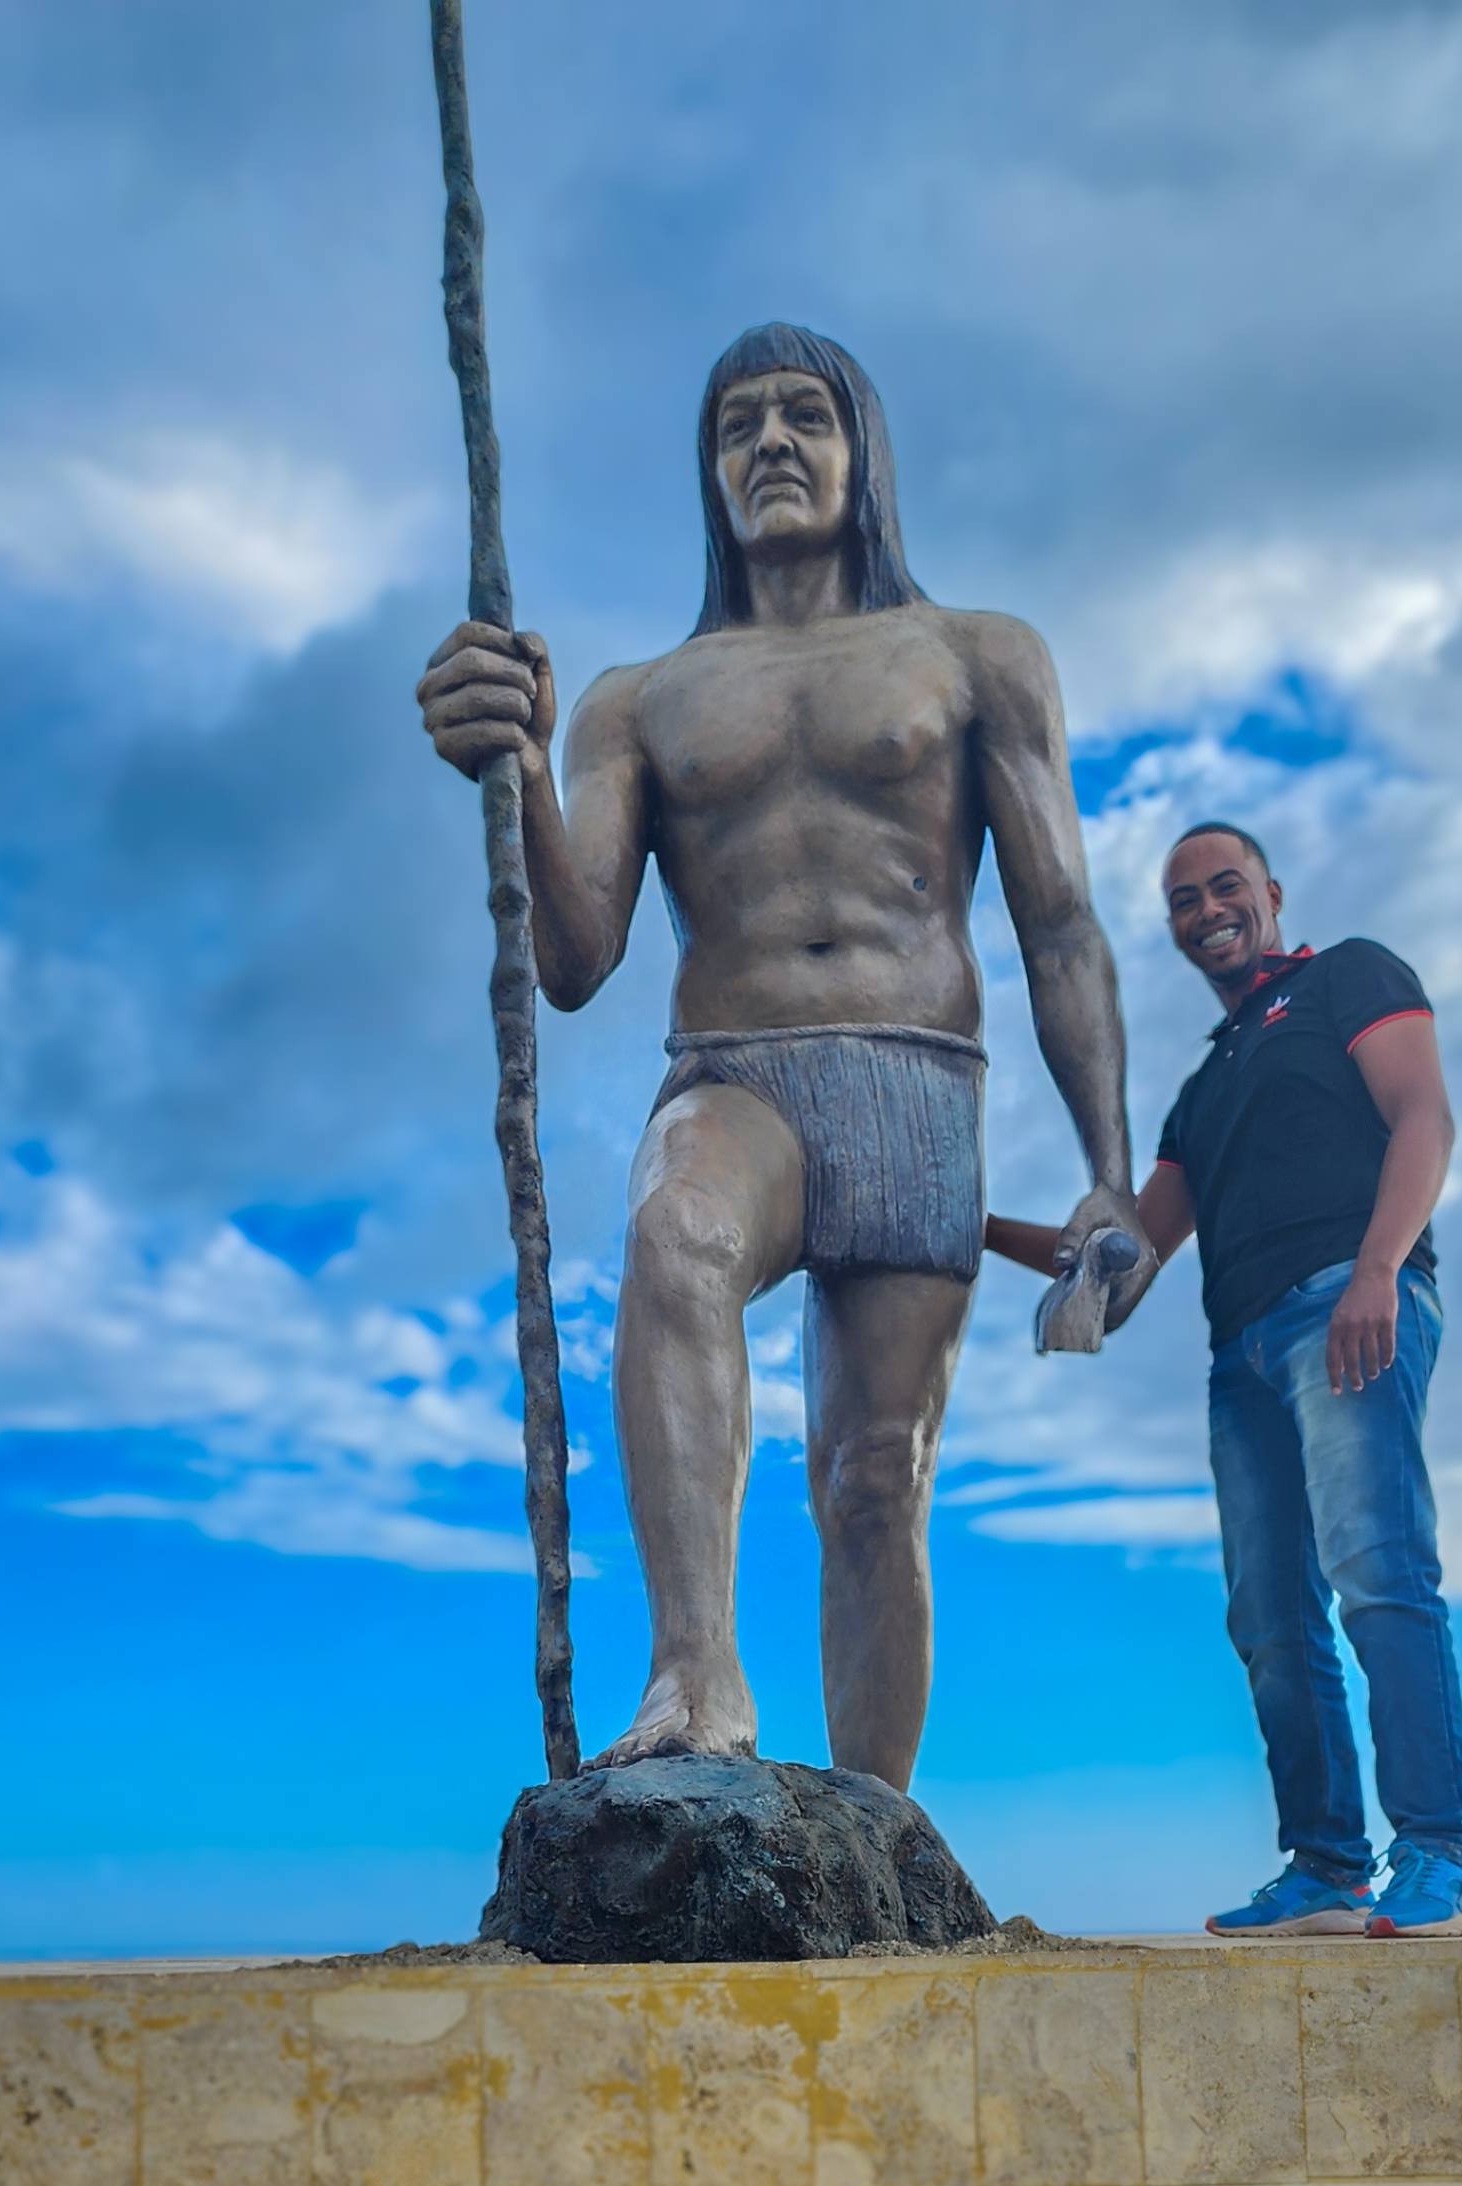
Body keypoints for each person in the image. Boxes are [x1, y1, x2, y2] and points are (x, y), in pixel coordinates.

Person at [417, 324, 1148, 1787]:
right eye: (735, 424)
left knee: (876, 1479)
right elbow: (572, 963)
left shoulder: (974, 655)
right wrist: (507, 771)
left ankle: (876, 1823)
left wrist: (1108, 1178)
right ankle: (694, 1680)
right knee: (674, 1237)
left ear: (859, 447)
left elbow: (1060, 925)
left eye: (802, 415)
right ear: (706, 473)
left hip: (916, 1071)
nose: (768, 443)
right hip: (736, 1068)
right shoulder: (637, 698)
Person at [986, 821, 1462, 1935]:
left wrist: (1376, 1271)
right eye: (1181, 900)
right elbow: (1123, 1263)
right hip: (1241, 1353)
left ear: (1269, 890)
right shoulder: (1203, 1090)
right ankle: (1325, 1869)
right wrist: (965, 1225)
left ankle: (1441, 1857)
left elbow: (1424, 1116)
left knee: (1378, 1570)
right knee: (1268, 1614)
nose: (1207, 910)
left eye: (1224, 887)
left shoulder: (1348, 975)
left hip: (1348, 1303)